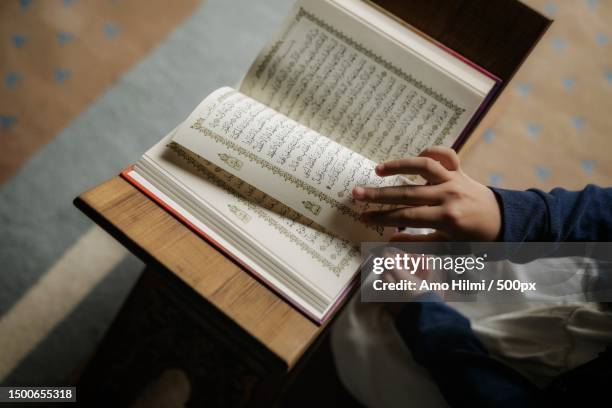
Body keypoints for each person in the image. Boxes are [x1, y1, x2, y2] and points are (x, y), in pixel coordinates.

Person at [351, 146, 612, 407]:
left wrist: (423, 315)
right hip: (593, 278)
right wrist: (506, 214)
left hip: (539, 384)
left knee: (359, 336)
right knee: (431, 228)